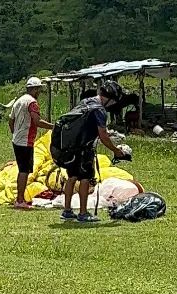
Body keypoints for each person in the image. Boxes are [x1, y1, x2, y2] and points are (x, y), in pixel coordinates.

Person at [54, 78, 132, 223]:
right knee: (85, 179)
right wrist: (116, 151)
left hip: (71, 148)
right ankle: (83, 213)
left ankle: (67, 210)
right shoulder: (100, 110)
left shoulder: (86, 102)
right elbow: (103, 136)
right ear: (110, 98)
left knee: (71, 177)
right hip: (83, 149)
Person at [8, 76, 53, 209]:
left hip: (17, 139)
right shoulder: (32, 103)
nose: (39, 92)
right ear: (34, 89)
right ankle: (20, 199)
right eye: (38, 89)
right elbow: (37, 121)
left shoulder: (19, 101)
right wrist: (54, 127)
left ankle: (19, 198)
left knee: (22, 169)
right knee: (24, 170)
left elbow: (11, 121)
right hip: (25, 141)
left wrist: (15, 132)